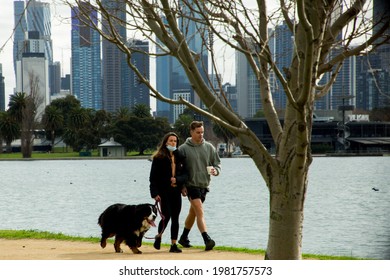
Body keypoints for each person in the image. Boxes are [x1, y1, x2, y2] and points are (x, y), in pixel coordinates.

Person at [178, 121, 221, 251]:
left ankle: (184, 238)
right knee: (199, 210)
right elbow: (178, 170)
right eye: (198, 132)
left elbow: (217, 164)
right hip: (191, 185)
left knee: (194, 212)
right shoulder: (183, 149)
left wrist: (215, 170)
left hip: (204, 185)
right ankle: (206, 238)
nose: (201, 135)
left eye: (202, 132)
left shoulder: (209, 147)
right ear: (191, 132)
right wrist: (182, 186)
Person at [149, 132, 188, 253]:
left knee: (176, 217)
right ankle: (159, 236)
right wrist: (155, 193)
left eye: (175, 141)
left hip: (176, 191)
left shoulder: (180, 156)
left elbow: (186, 174)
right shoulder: (159, 158)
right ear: (165, 142)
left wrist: (178, 180)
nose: (173, 143)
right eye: (171, 141)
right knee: (167, 216)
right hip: (163, 191)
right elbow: (153, 178)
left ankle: (173, 244)